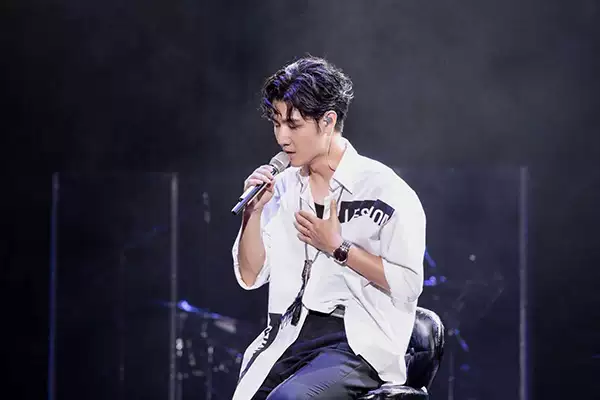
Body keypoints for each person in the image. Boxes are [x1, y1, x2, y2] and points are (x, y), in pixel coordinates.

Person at [231, 56, 426, 400]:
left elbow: (409, 284)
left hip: (357, 341)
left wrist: (339, 248)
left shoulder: (383, 190)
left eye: (293, 125)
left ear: (328, 121)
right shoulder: (283, 189)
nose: (282, 137)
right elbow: (250, 276)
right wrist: (254, 214)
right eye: (277, 124)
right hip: (291, 335)